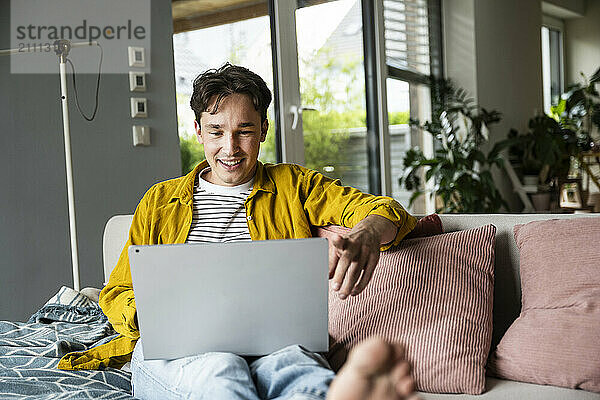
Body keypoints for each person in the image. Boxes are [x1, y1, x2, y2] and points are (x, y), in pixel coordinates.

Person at [59, 63, 419, 400]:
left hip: (277, 343)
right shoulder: (160, 200)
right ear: (198, 130)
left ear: (263, 129)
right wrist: (153, 313)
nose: (229, 148)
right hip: (180, 350)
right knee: (221, 370)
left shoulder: (294, 185)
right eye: (216, 131)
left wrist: (368, 233)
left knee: (298, 371)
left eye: (244, 131)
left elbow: (384, 210)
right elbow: (117, 290)